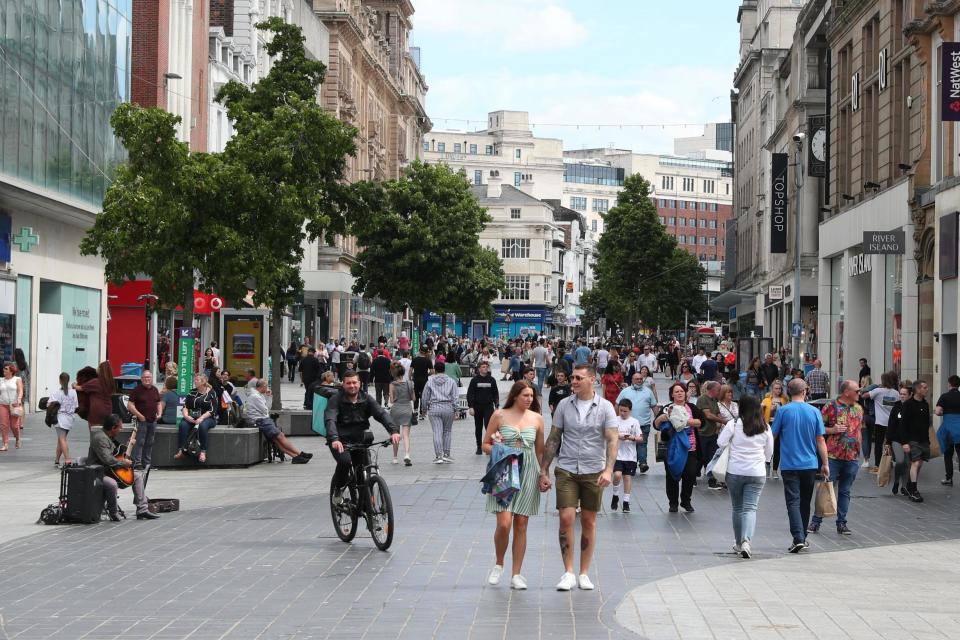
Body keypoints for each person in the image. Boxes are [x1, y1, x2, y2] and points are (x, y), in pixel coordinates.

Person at [538, 364, 618, 591]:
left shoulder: (605, 407)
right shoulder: (564, 405)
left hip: (594, 469)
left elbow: (612, 439)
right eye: (572, 377)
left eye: (578, 378)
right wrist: (543, 470)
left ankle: (584, 572)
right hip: (567, 468)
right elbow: (554, 438)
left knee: (589, 521)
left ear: (592, 379)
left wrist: (609, 470)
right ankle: (568, 572)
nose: (573, 381)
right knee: (566, 518)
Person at [482, 380, 545, 590]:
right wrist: (499, 449)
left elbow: (540, 451)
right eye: (525, 395)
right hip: (505, 470)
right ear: (515, 396)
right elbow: (485, 444)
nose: (529, 399)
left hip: (528, 471)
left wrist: (543, 474)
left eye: (531, 396)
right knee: (504, 523)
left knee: (521, 524)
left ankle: (516, 573)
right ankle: (499, 563)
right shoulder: (499, 415)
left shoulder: (537, 419)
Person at [772, 379, 830, 553]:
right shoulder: (814, 412)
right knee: (805, 502)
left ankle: (798, 537)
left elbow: (772, 435)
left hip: (789, 464)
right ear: (804, 391)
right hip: (810, 464)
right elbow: (820, 439)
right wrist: (825, 463)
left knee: (793, 501)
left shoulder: (783, 411)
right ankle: (802, 537)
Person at [324, 371, 400, 498]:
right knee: (345, 462)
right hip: (340, 441)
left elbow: (381, 414)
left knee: (364, 473)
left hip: (361, 440)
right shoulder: (335, 400)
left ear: (359, 383)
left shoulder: (366, 398)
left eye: (354, 382)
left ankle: (367, 504)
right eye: (348, 383)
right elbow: (330, 419)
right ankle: (339, 487)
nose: (352, 385)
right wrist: (334, 438)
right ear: (343, 384)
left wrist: (393, 431)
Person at [718, 394, 773, 559]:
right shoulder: (765, 427)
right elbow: (769, 453)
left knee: (737, 508)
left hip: (735, 471)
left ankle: (738, 542)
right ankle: (746, 541)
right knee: (750, 508)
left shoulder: (733, 424)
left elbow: (720, 443)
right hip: (756, 472)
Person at [808, 380, 864, 535]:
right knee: (826, 488)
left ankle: (842, 523)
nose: (859, 393)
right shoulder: (830, 407)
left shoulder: (859, 409)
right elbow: (817, 429)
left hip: (852, 457)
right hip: (833, 455)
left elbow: (858, 431)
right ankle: (815, 521)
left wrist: (859, 453)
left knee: (845, 491)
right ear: (847, 392)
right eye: (857, 391)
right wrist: (832, 430)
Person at [87, 414, 159, 520]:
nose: (120, 430)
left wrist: (128, 445)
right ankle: (113, 512)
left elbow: (117, 453)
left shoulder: (109, 436)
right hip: (99, 472)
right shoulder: (100, 438)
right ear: (113, 428)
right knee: (112, 484)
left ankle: (142, 509)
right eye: (120, 428)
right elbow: (107, 459)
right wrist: (123, 464)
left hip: (111, 471)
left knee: (138, 476)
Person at [654, 382, 704, 513]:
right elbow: (656, 424)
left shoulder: (692, 407)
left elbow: (701, 422)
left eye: (682, 391)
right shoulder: (667, 408)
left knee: (690, 475)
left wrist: (684, 421)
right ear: (672, 395)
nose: (680, 393)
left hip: (690, 448)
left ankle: (686, 501)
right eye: (676, 391)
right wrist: (665, 418)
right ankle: (673, 503)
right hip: (672, 449)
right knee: (672, 476)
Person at [246, 378, 312, 463]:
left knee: (277, 440)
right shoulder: (255, 396)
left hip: (263, 419)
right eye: (267, 386)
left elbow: (267, 409)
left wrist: (269, 397)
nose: (268, 388)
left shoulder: (259, 395)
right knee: (280, 436)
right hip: (261, 420)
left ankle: (296, 456)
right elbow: (265, 410)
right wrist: (268, 399)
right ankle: (299, 454)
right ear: (263, 386)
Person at [616, 371, 659, 474]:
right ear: (632, 380)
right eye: (637, 379)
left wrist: (657, 418)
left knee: (642, 443)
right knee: (631, 444)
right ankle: (633, 465)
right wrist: (616, 418)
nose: (639, 381)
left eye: (641, 379)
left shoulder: (648, 391)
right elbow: (617, 404)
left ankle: (643, 463)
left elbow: (654, 405)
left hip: (644, 423)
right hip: (628, 424)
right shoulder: (625, 391)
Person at [898, 380, 931, 503]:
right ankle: (914, 490)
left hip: (923, 439)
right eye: (924, 387)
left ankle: (910, 485)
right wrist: (904, 442)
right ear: (917, 389)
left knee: (919, 464)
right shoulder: (908, 404)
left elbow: (926, 423)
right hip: (912, 439)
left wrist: (927, 440)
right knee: (915, 463)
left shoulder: (925, 404)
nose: (927, 389)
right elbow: (903, 424)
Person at [175, 373, 218, 463]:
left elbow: (212, 410)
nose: (195, 381)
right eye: (195, 380)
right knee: (183, 425)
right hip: (192, 416)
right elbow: (185, 406)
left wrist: (201, 418)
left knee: (202, 426)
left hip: (207, 417)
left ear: (203, 382)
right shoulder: (192, 392)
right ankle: (181, 450)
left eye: (197, 380)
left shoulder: (212, 393)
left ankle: (203, 451)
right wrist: (186, 416)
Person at [422, 362, 460, 464]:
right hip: (448, 408)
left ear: (435, 369)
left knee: (437, 432)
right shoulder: (451, 381)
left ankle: (439, 456)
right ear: (444, 369)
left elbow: (425, 396)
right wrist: (457, 410)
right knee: (447, 431)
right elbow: (455, 397)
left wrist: (424, 409)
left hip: (434, 408)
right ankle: (447, 454)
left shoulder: (429, 381)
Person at [609, 399, 643, 513]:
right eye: (621, 410)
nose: (622, 413)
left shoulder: (635, 422)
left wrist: (631, 438)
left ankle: (626, 502)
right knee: (617, 475)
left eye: (625, 411)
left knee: (627, 478)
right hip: (617, 454)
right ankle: (615, 494)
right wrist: (618, 436)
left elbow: (640, 438)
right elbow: (608, 434)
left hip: (630, 455)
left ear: (630, 411)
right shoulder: (614, 420)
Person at [862, 371, 900, 469]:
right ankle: (891, 461)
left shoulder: (878, 391)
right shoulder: (896, 393)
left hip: (880, 422)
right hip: (891, 423)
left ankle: (878, 464)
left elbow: (864, 395)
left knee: (878, 444)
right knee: (889, 443)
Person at [126, 370, 161, 469]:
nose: (147, 379)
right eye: (144, 377)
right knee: (140, 442)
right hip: (141, 421)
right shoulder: (136, 390)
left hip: (153, 420)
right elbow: (130, 405)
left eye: (148, 377)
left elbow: (158, 403)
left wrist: (160, 414)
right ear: (141, 379)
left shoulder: (154, 389)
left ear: (151, 378)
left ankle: (147, 464)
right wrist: (140, 416)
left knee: (150, 442)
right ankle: (137, 463)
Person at [697, 380, 726, 489]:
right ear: (713, 390)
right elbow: (708, 415)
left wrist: (721, 422)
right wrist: (723, 421)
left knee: (712, 457)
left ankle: (712, 480)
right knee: (701, 456)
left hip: (713, 433)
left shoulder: (714, 400)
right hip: (703, 433)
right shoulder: (702, 399)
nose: (720, 392)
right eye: (719, 390)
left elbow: (717, 413)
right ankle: (693, 475)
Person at [467, 361, 499, 456]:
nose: (485, 368)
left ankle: (489, 446)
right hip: (477, 407)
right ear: (479, 369)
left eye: (486, 367)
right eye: (483, 367)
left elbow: (495, 393)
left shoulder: (492, 380)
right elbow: (470, 394)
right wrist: (471, 407)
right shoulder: (474, 380)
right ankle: (479, 447)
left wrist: (496, 405)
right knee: (478, 427)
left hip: (488, 406)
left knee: (489, 426)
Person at [761, 379, 789, 479]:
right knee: (768, 447)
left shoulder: (784, 400)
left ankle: (774, 470)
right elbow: (761, 414)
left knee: (777, 448)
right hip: (768, 425)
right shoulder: (766, 400)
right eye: (776, 388)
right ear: (772, 389)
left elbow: (787, 413)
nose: (778, 390)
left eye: (780, 389)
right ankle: (767, 466)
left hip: (780, 426)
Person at [388, 362, 416, 465]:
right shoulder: (409, 383)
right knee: (406, 435)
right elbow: (413, 398)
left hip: (395, 410)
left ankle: (395, 458)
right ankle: (407, 454)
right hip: (407, 409)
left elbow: (391, 400)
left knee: (395, 434)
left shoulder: (392, 384)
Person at [935, 375, 960, 487]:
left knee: (948, 454)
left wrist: (944, 412)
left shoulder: (944, 396)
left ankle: (949, 478)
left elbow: (938, 412)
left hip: (948, 429)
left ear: (949, 384)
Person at [49, 372, 78, 466]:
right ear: (68, 380)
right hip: (70, 419)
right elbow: (76, 406)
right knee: (61, 439)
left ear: (60, 381)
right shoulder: (73, 392)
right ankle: (57, 459)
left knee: (62, 439)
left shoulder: (57, 393)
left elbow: (49, 404)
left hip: (60, 419)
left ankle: (67, 459)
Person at [75, 361, 114, 431]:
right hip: (108, 410)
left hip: (96, 411)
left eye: (98, 367)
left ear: (101, 370)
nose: (97, 368)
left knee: (94, 434)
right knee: (105, 433)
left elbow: (79, 388)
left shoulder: (95, 382)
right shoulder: (110, 382)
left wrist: (73, 385)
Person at [0, 362, 24, 451]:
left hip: (14, 405)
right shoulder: (1, 380)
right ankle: (5, 444)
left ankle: (17, 439)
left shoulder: (17, 379)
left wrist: (19, 398)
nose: (3, 370)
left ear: (11, 370)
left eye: (6, 369)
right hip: (3, 404)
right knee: (3, 425)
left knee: (14, 426)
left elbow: (20, 390)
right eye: (3, 368)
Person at [410, 346, 433, 418]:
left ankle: (416, 410)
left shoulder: (415, 359)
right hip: (424, 380)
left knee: (416, 395)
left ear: (420, 351)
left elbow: (410, 370)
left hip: (416, 380)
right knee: (424, 396)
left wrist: (410, 378)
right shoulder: (428, 360)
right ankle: (422, 413)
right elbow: (432, 371)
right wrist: (427, 374)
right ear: (426, 352)